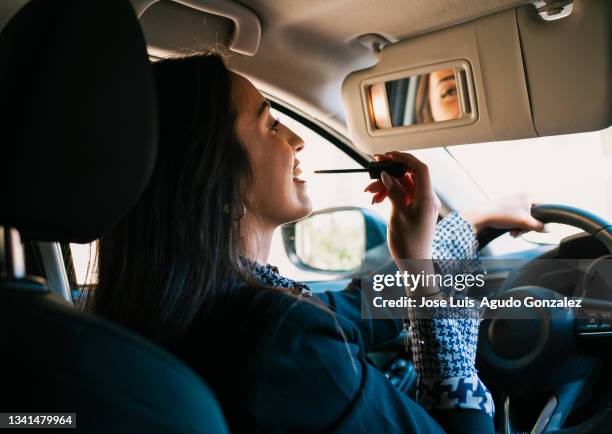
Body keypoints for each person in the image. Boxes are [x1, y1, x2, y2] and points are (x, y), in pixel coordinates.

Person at [86, 52, 544, 433]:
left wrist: (464, 226)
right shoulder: (283, 343)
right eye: (269, 126)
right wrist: (434, 309)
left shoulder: (169, 313)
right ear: (214, 178)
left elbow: (355, 307)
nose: (297, 140)